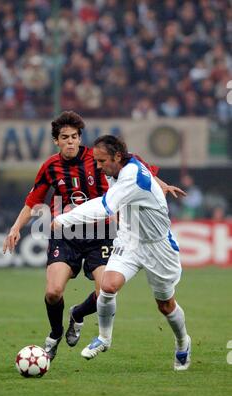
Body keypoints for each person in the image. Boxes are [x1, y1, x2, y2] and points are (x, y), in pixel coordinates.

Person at [3, 112, 185, 362]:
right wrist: (15, 228)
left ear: (80, 138)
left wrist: (160, 184)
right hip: (66, 235)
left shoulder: (101, 157)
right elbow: (33, 201)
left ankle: (78, 314)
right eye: (65, 137)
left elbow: (140, 168)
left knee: (105, 291)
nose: (71, 142)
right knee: (54, 292)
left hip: (101, 234)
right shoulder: (50, 166)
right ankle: (56, 334)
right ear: (57, 140)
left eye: (75, 137)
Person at [53, 135, 191, 371]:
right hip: (129, 240)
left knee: (165, 305)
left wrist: (64, 219)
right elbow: (143, 169)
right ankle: (104, 339)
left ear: (117, 157)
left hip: (158, 246)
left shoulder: (131, 176)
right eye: (95, 161)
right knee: (108, 286)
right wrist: (162, 184)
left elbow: (104, 206)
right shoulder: (120, 166)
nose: (98, 167)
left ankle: (182, 343)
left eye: (102, 161)